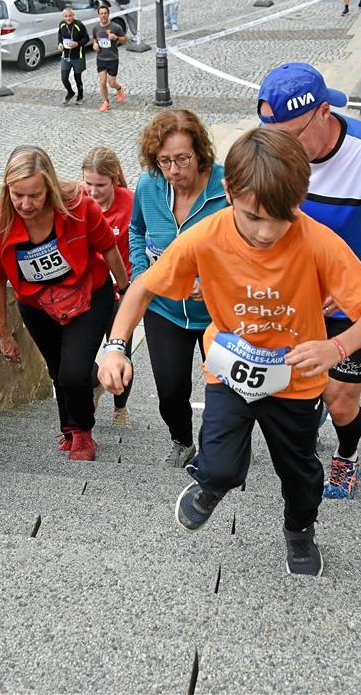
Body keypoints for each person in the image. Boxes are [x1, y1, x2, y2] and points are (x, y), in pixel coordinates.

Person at [100, 128, 361, 576]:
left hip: (295, 385)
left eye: (282, 217)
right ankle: (211, 485)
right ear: (228, 191)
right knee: (215, 465)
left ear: (301, 197)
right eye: (252, 215)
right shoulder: (205, 236)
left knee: (299, 476)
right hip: (229, 371)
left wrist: (337, 347)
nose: (266, 231)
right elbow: (143, 287)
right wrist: (116, 347)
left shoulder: (318, 242)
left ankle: (300, 532)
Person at [257, 62, 361, 500]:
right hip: (295, 293)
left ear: (325, 112)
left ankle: (347, 456)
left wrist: (355, 280)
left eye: (293, 135)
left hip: (354, 299)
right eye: (276, 136)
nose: (283, 149)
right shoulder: (273, 147)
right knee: (297, 384)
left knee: (339, 398)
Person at [0, 146, 130, 461]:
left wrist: (125, 289)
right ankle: (70, 429)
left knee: (73, 373)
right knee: (57, 370)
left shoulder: (80, 208)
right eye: (17, 195)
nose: (25, 204)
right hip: (37, 305)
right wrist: (3, 334)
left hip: (90, 294)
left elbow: (109, 249)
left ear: (49, 187)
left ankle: (84, 432)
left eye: (34, 195)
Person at [129, 109, 229, 467]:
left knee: (223, 392)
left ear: (200, 153)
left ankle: (219, 451)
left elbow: (251, 245)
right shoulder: (148, 185)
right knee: (170, 390)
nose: (173, 171)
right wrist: (142, 271)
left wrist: (217, 281)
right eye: (164, 161)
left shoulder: (227, 187)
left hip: (217, 313)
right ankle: (182, 440)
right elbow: (136, 230)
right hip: (164, 308)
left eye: (182, 160)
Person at [81, 146, 135, 427]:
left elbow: (142, 244)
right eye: (87, 183)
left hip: (120, 293)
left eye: (100, 185)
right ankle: (95, 382)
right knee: (80, 357)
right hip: (86, 292)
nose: (92, 191)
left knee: (119, 351)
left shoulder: (131, 202)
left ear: (114, 179)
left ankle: (120, 409)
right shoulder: (77, 202)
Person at [93, 4, 127, 113]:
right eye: (101, 13)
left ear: (108, 14)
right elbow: (94, 39)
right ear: (98, 15)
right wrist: (95, 45)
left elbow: (125, 39)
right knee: (103, 82)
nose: (103, 15)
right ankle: (106, 102)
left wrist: (116, 37)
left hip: (112, 59)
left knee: (111, 83)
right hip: (101, 59)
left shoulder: (115, 27)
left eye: (105, 13)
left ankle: (119, 88)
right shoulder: (96, 28)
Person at [57, 7, 90, 106]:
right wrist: (59, 43)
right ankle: (70, 92)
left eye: (70, 16)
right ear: (63, 17)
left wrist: (77, 43)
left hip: (77, 56)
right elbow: (59, 35)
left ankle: (80, 96)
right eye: (66, 16)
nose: (68, 18)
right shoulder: (62, 24)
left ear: (73, 16)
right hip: (66, 56)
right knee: (64, 78)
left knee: (77, 78)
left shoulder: (79, 25)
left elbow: (86, 38)